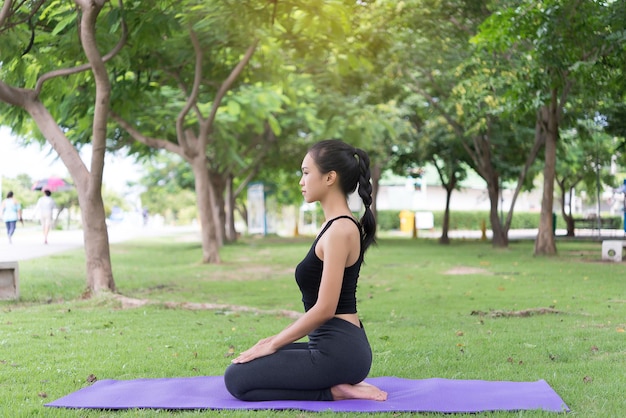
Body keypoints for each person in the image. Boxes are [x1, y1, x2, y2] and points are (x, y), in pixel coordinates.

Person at [224, 139, 388, 402]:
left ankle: (335, 391)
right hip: (331, 346)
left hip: (339, 352)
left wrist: (275, 343)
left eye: (306, 172)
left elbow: (325, 308)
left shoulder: (340, 230)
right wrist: (272, 341)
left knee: (236, 380)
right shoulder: (333, 226)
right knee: (240, 368)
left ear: (330, 178)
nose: (301, 181)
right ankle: (336, 386)